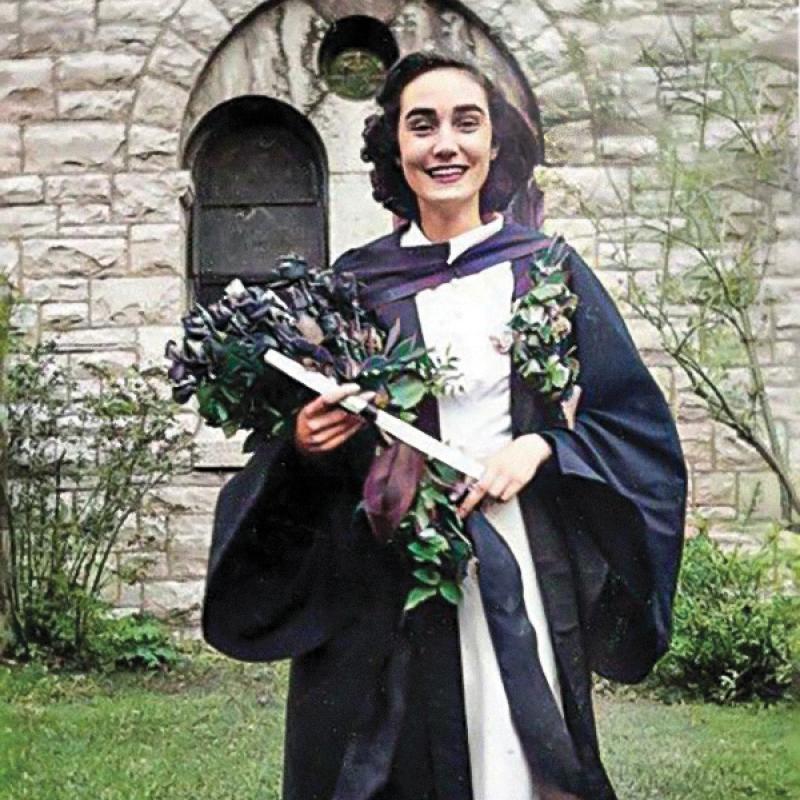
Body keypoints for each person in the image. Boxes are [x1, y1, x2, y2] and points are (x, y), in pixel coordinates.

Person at [201, 52, 687, 800]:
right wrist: (303, 442)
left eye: (467, 123)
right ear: (396, 147)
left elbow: (635, 425)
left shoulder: (546, 269)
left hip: (515, 556)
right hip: (383, 569)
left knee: (509, 753)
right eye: (421, 125)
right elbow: (293, 442)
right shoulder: (354, 286)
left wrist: (543, 445)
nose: (445, 145)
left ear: (496, 145)